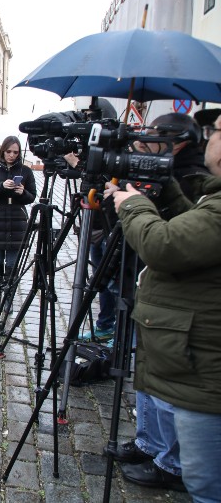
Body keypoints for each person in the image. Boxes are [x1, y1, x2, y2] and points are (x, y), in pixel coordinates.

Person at [105, 113, 221, 501]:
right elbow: (190, 221)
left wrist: (135, 203)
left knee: (206, 484)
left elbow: (165, 245)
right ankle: (153, 446)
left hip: (197, 355)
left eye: (215, 131)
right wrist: (164, 187)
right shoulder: (209, 191)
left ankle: (169, 461)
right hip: (175, 337)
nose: (211, 138)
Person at [0, 136, 37, 310]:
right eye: (9, 151)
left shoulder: (26, 171)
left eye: (15, 152)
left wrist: (22, 192)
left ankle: (9, 297)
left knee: (12, 263)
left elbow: (32, 197)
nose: (12, 155)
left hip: (17, 221)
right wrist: (1, 186)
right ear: (3, 151)